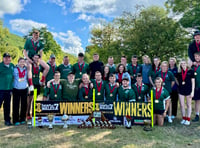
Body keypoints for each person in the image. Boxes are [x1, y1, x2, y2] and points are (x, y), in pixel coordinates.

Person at [177, 60, 194, 125]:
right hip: (181, 90)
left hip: (189, 90)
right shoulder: (179, 72)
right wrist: (179, 84)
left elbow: (193, 82)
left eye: (184, 63)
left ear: (187, 64)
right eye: (182, 63)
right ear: (180, 65)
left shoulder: (191, 71)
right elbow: (175, 78)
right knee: (182, 105)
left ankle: (188, 119)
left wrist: (192, 91)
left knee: (188, 104)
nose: (183, 64)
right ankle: (184, 118)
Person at [12, 58, 28, 125]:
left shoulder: (26, 69)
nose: (22, 63)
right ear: (18, 62)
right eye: (21, 61)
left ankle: (23, 118)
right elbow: (12, 77)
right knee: (16, 104)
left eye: (23, 62)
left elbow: (28, 78)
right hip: (16, 89)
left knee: (24, 104)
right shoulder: (14, 69)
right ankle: (15, 120)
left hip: (24, 89)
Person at [0, 53, 14, 126]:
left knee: (7, 106)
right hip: (1, 89)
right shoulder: (0, 66)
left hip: (9, 89)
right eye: (6, 58)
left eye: (8, 57)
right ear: (3, 58)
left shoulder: (12, 66)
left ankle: (7, 120)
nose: (7, 59)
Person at [191, 52, 200, 122]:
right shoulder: (193, 66)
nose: (197, 58)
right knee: (197, 101)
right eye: (195, 56)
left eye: (198, 56)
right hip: (196, 86)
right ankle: (197, 115)